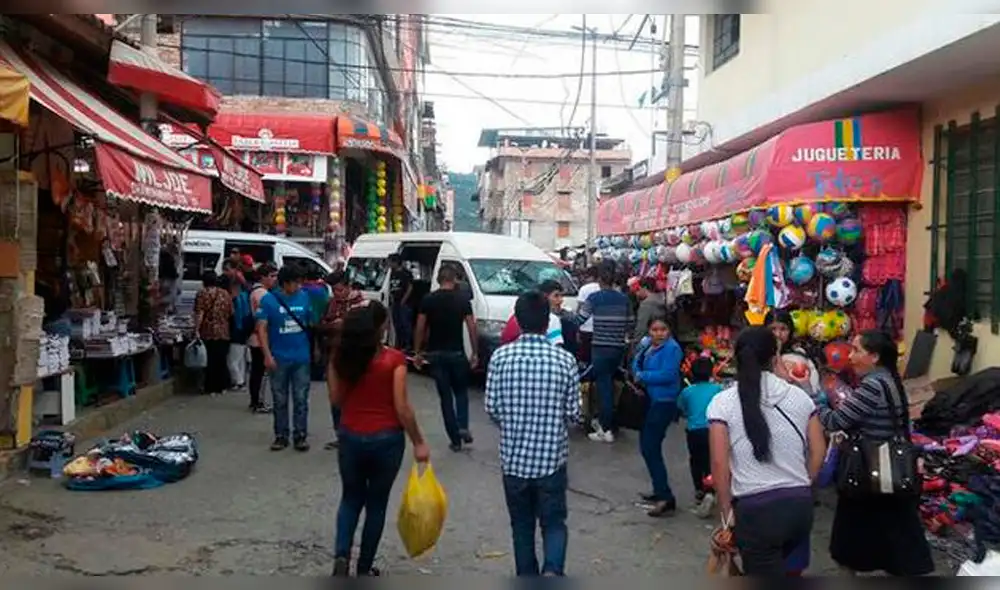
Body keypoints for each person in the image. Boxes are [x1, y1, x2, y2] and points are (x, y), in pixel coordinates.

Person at [706, 327, 826, 576]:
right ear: (775, 359)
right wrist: (804, 481)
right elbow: (818, 450)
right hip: (799, 508)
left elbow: (719, 463)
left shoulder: (722, 403)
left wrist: (727, 514)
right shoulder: (801, 398)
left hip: (756, 511)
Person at [818, 330, 934, 577]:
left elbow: (835, 421)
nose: (850, 356)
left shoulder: (873, 386)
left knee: (849, 542)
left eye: (857, 350)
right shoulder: (891, 381)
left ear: (874, 356)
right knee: (896, 543)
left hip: (869, 472)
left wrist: (815, 401)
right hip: (889, 470)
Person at [330, 301, 430, 577]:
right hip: (386, 439)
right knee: (376, 504)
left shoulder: (340, 358)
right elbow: (402, 407)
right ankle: (363, 568)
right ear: (379, 328)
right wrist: (419, 441)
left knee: (350, 498)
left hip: (350, 435)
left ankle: (341, 555)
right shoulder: (394, 359)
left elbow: (336, 400)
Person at [485, 290, 581, 577]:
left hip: (514, 463)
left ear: (518, 320)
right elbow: (574, 414)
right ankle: (552, 572)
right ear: (546, 322)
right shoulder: (565, 361)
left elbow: (492, 408)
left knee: (522, 526)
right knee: (553, 523)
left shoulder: (501, 357)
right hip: (551, 461)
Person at [414, 266, 478, 452]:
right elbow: (472, 326)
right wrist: (474, 352)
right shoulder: (462, 300)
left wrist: (418, 352)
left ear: (439, 280)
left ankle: (455, 440)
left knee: (445, 397)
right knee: (461, 392)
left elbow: (420, 326)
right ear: (455, 279)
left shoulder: (429, 299)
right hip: (457, 352)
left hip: (436, 354)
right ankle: (463, 426)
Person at [255, 265, 313, 452]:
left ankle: (300, 435)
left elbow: (310, 323)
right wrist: (267, 355)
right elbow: (261, 328)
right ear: (285, 283)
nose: (298, 286)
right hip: (278, 358)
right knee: (280, 399)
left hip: (301, 358)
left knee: (301, 399)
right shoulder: (269, 301)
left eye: (299, 282)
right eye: (295, 283)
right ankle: (281, 435)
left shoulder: (304, 297)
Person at [631, 317, 683, 517]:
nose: (659, 333)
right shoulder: (648, 347)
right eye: (654, 329)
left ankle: (665, 496)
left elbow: (668, 375)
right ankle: (659, 490)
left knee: (650, 447)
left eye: (663, 329)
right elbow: (636, 364)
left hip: (664, 402)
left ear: (669, 331)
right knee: (648, 447)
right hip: (650, 401)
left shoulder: (672, 349)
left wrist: (644, 376)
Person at [577, 262, 634, 443]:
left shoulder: (594, 298)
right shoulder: (624, 299)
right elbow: (630, 324)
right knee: (610, 383)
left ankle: (605, 428)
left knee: (604, 387)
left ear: (599, 279)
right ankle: (607, 423)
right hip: (618, 348)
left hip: (600, 347)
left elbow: (580, 318)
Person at [320, 270, 365, 450]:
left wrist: (345, 324)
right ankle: (341, 435)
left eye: (339, 290)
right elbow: (321, 324)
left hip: (355, 357)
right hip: (334, 355)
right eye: (334, 290)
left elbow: (368, 330)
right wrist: (331, 325)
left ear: (348, 286)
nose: (336, 293)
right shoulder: (331, 303)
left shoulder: (361, 304)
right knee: (335, 398)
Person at [677, 356, 723, 518]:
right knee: (712, 460)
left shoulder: (687, 391)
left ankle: (699, 490)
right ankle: (711, 489)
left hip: (694, 430)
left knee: (696, 460)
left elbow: (681, 408)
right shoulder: (718, 389)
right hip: (713, 429)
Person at [193, 271, 233, 396]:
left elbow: (200, 313)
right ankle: (222, 386)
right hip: (223, 331)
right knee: (221, 359)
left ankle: (210, 387)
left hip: (208, 331)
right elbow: (231, 312)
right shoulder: (225, 293)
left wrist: (196, 330)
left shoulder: (202, 294)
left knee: (209, 360)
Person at [767, 310, 821, 399]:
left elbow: (786, 381)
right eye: (773, 329)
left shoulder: (797, 355)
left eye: (783, 329)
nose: (778, 334)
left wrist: (777, 352)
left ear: (790, 331)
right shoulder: (759, 354)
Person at [247, 263, 277, 413]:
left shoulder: (258, 291)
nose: (274, 279)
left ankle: (256, 400)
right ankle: (258, 401)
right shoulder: (262, 294)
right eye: (272, 276)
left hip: (257, 337)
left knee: (257, 371)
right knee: (260, 372)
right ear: (263, 277)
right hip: (259, 338)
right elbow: (263, 320)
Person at [500, 279, 564, 347]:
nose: (561, 300)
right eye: (556, 296)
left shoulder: (517, 316)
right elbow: (557, 346)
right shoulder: (553, 319)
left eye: (561, 296)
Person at [227, 273, 254, 390]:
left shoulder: (235, 299)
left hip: (236, 331)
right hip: (245, 330)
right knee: (240, 359)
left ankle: (238, 381)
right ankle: (242, 380)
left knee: (232, 361)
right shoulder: (245, 296)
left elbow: (233, 315)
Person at [387, 254, 414, 352]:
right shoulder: (392, 273)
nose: (388, 264)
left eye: (390, 262)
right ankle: (400, 344)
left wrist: (404, 300)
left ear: (395, 262)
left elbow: (410, 287)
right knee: (397, 324)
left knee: (405, 324)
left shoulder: (406, 273)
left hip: (405, 303)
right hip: (395, 302)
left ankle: (408, 345)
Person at [575, 266, 600, 363]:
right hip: (599, 330)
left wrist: (576, 328)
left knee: (585, 358)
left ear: (591, 276)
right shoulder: (604, 288)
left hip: (585, 329)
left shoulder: (584, 289)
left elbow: (580, 309)